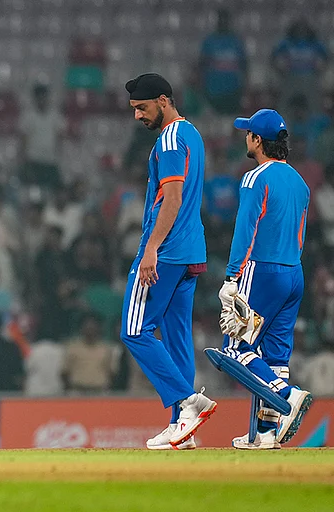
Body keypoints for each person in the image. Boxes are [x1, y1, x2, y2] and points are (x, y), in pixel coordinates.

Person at [121, 73, 216, 450]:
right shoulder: (192, 134)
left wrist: (150, 248)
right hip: (190, 251)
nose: (137, 117)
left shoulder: (171, 138)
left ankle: (189, 401)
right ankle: (182, 426)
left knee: (134, 331)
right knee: (178, 337)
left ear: (163, 100)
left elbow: (172, 198)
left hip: (167, 251)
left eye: (142, 108)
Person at [218, 108, 313, 449]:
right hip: (293, 272)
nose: (245, 137)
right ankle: (266, 434)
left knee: (235, 347)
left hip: (262, 270)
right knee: (275, 356)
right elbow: (300, 235)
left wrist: (232, 276)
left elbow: (246, 228)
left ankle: (288, 396)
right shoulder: (301, 183)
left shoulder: (255, 177)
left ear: (258, 140)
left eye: (249, 133)